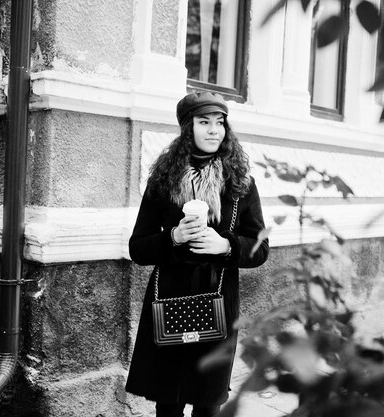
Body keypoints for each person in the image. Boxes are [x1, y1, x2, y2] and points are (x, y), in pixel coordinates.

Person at [125, 91, 269, 417]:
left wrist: (227, 245)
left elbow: (260, 248)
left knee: (208, 402)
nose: (214, 130)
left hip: (218, 299)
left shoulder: (241, 183)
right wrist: (173, 237)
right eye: (204, 122)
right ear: (188, 128)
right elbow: (137, 248)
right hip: (170, 297)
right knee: (169, 401)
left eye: (220, 123)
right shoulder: (163, 182)